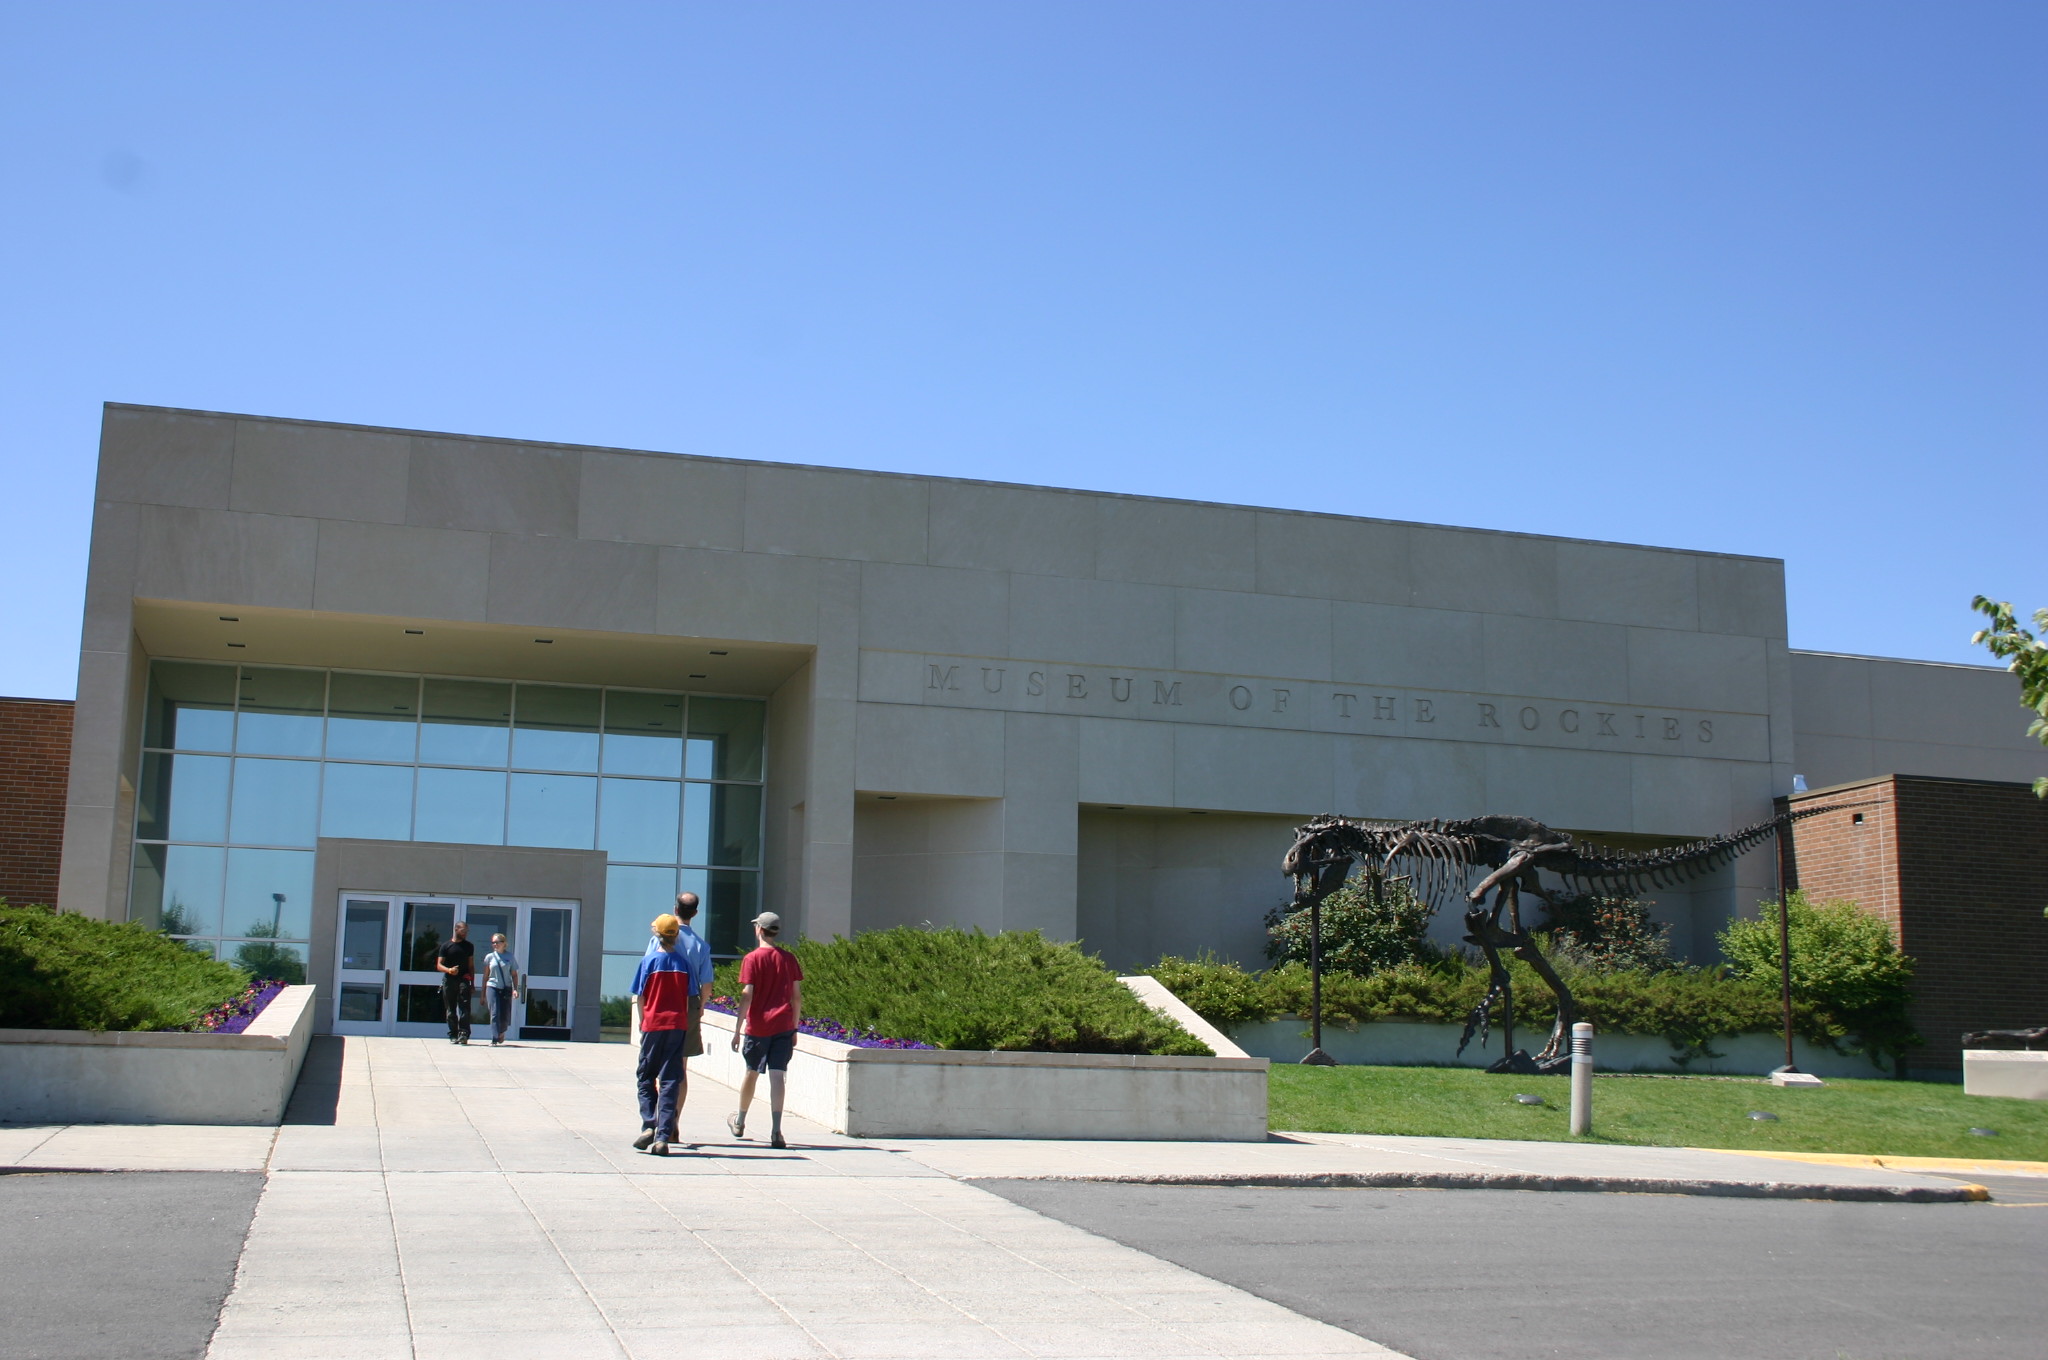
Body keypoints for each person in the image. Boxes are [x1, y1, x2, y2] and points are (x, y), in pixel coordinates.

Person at [728, 911, 803, 1150]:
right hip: (783, 1024)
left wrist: (738, 1028)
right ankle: (776, 1130)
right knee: (778, 1075)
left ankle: (740, 1120)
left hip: (759, 1026)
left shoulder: (752, 958)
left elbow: (747, 994)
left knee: (751, 1072)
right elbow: (796, 997)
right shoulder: (788, 959)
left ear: (759, 929)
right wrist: (794, 1027)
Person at [643, 892, 714, 1124]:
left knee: (651, 1064)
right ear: (695, 913)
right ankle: (673, 1122)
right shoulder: (701, 945)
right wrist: (700, 1007)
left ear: (675, 909)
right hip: (687, 1004)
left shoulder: (658, 938)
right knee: (679, 1067)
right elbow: (707, 984)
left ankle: (654, 1119)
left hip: (659, 1004)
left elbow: (646, 974)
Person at [629, 913, 694, 1156]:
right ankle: (663, 1136)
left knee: (646, 1076)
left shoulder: (649, 962)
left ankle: (649, 1123)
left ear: (657, 934)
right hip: (677, 1026)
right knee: (670, 1080)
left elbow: (640, 996)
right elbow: (689, 999)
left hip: (653, 1025)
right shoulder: (684, 965)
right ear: (676, 936)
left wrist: (642, 1022)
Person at [435, 919, 475, 1045]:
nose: (465, 933)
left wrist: (472, 983)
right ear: (456, 929)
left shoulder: (468, 946)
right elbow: (439, 965)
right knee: (450, 1009)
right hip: (449, 980)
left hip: (463, 979)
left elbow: (471, 966)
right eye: (463, 931)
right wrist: (449, 970)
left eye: (466, 931)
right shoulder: (446, 946)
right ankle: (453, 1033)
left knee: (465, 1007)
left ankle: (463, 1033)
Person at [482, 932, 521, 1046]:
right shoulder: (489, 957)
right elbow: (485, 976)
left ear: (504, 943)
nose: (495, 944)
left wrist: (515, 989)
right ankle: (494, 1038)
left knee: (504, 1014)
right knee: (494, 1012)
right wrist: (483, 993)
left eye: (497, 942)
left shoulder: (510, 957)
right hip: (492, 986)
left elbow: (514, 974)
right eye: (493, 942)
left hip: (505, 988)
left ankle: (502, 1031)